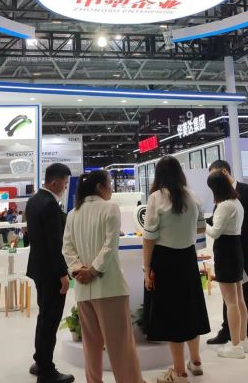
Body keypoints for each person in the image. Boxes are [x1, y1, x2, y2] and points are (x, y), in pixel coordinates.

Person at [62, 170, 146, 383]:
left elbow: (67, 248)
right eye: (109, 184)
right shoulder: (110, 208)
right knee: (120, 346)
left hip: (83, 289)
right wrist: (93, 270)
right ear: (100, 187)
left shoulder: (73, 214)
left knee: (91, 346)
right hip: (110, 287)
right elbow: (110, 246)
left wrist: (78, 269)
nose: (111, 188)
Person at [142, 156, 210, 383]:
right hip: (187, 258)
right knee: (191, 309)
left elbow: (149, 238)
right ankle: (196, 361)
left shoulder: (156, 198)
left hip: (164, 261)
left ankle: (179, 371)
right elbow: (201, 229)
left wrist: (147, 269)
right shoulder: (193, 196)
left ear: (158, 175)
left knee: (172, 315)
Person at [205, 159, 248, 347]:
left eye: (214, 175)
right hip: (232, 248)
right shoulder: (226, 198)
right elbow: (219, 220)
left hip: (244, 248)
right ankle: (230, 331)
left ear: (224, 172)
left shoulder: (245, 191)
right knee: (232, 296)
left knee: (244, 292)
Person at [26, 163, 74, 383]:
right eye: (64, 184)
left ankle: (40, 361)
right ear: (55, 182)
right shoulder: (50, 205)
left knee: (44, 316)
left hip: (39, 269)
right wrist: (63, 274)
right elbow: (55, 245)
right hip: (52, 272)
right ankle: (46, 370)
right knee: (50, 320)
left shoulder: (34, 201)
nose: (65, 188)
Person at [205, 170, 248, 359]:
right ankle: (243, 340)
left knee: (231, 302)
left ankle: (235, 345)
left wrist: (201, 224)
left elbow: (215, 232)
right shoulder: (236, 202)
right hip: (236, 249)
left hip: (225, 252)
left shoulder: (224, 206)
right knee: (239, 299)